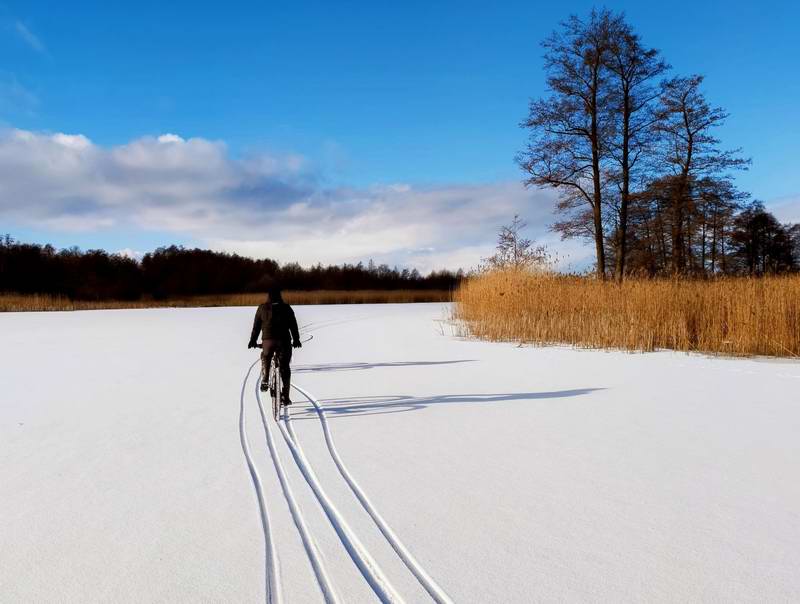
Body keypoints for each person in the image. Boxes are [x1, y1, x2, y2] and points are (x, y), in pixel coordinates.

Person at [248, 287, 301, 404]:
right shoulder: (287, 308)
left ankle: (265, 377)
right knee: (285, 368)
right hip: (284, 341)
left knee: (265, 355)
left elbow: (256, 327)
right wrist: (296, 340)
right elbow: (293, 325)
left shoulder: (262, 308)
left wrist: (252, 340)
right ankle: (285, 397)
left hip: (268, 340)